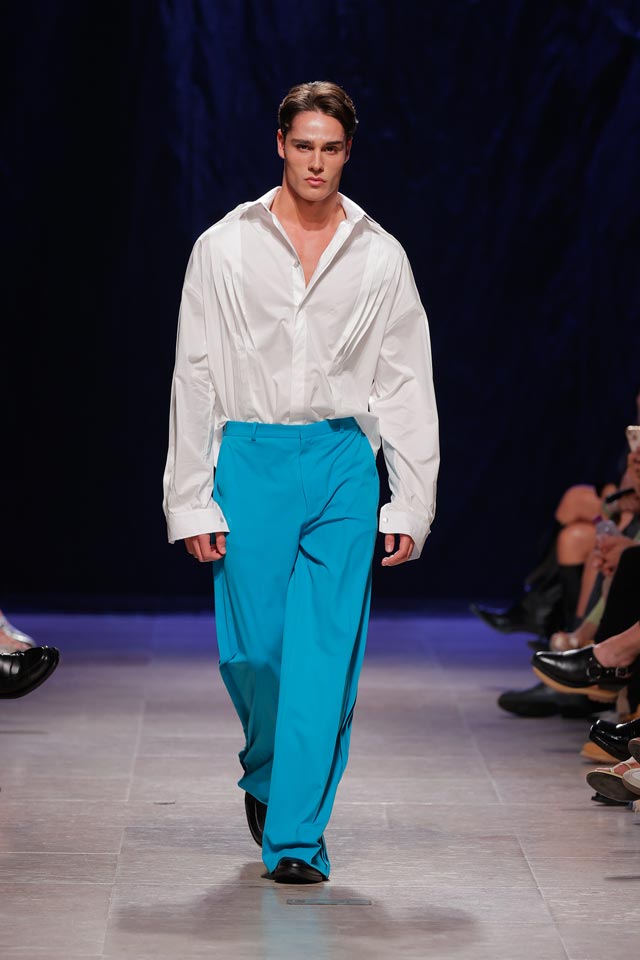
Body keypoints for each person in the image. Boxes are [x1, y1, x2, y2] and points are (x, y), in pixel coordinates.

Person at [163, 81, 439, 884]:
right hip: (248, 457)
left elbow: (405, 385)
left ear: (348, 152)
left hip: (341, 461)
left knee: (323, 656)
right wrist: (190, 499)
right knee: (255, 655)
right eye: (304, 145)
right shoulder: (223, 247)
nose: (316, 162)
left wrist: (411, 501)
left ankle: (295, 839)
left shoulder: (381, 255)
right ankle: (267, 769)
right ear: (280, 144)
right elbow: (194, 377)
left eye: (331, 148)